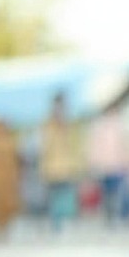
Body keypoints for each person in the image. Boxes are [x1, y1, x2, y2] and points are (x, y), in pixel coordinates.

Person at [86, 100, 129, 227]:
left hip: (118, 165)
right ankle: (110, 219)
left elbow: (126, 146)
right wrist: (94, 164)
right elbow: (96, 147)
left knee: (120, 193)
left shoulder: (120, 125)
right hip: (105, 166)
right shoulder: (100, 126)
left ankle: (122, 218)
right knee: (108, 194)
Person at [40, 93, 79, 232]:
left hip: (66, 167)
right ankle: (56, 225)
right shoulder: (49, 126)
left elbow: (73, 147)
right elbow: (45, 148)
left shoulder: (69, 125)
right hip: (53, 167)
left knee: (66, 197)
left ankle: (63, 223)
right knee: (55, 197)